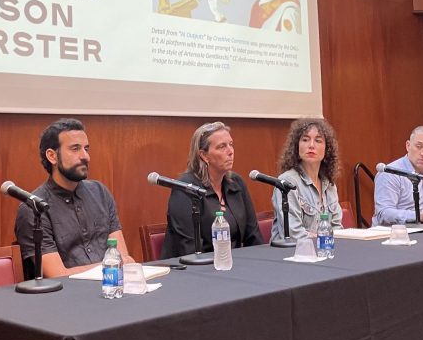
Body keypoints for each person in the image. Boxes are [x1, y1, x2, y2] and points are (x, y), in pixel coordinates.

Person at [14, 118, 133, 277]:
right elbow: (57, 275)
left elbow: (122, 257)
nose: (85, 157)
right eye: (75, 149)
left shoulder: (100, 193)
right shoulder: (34, 208)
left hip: (111, 287)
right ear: (52, 156)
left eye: (86, 149)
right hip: (68, 297)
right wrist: (112, 264)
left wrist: (118, 264)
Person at [160, 121, 263, 258]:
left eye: (231, 145)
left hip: (234, 265)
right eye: (222, 147)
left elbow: (253, 236)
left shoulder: (236, 184)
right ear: (204, 155)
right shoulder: (185, 188)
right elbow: (188, 249)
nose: (230, 151)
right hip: (196, 270)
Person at [270, 117, 342, 241]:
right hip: (291, 255)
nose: (311, 145)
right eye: (305, 140)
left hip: (323, 251)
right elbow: (293, 234)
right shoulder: (287, 183)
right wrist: (325, 238)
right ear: (297, 147)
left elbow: (337, 229)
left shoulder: (329, 185)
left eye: (318, 141)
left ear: (327, 149)